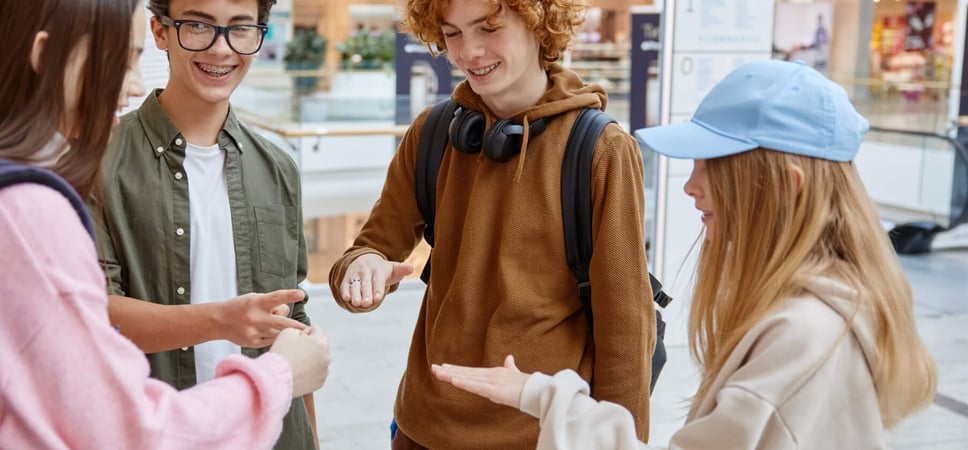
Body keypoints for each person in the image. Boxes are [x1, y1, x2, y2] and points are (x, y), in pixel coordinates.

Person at [0, 0, 330, 447]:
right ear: (45, 55)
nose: (132, 85)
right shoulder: (26, 210)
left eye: (240, 28)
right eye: (122, 60)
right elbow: (127, 430)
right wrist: (276, 375)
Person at [431, 60, 938, 449]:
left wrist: (542, 396)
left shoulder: (803, 339)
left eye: (712, 166)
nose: (691, 186)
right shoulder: (837, 308)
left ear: (787, 184)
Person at [328, 0, 656, 447]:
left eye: (488, 28)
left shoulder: (601, 149)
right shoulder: (433, 133)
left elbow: (626, 328)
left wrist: (618, 440)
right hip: (422, 428)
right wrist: (361, 268)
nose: (469, 52)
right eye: (453, 34)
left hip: (538, 433)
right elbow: (366, 250)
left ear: (540, 23)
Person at [90, 0, 319, 447]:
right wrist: (221, 320)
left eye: (240, 28)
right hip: (155, 432)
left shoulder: (278, 168)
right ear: (160, 32)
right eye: (198, 26)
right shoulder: (98, 161)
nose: (220, 49)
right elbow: (95, 316)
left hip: (269, 433)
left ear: (260, 36)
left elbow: (295, 320)